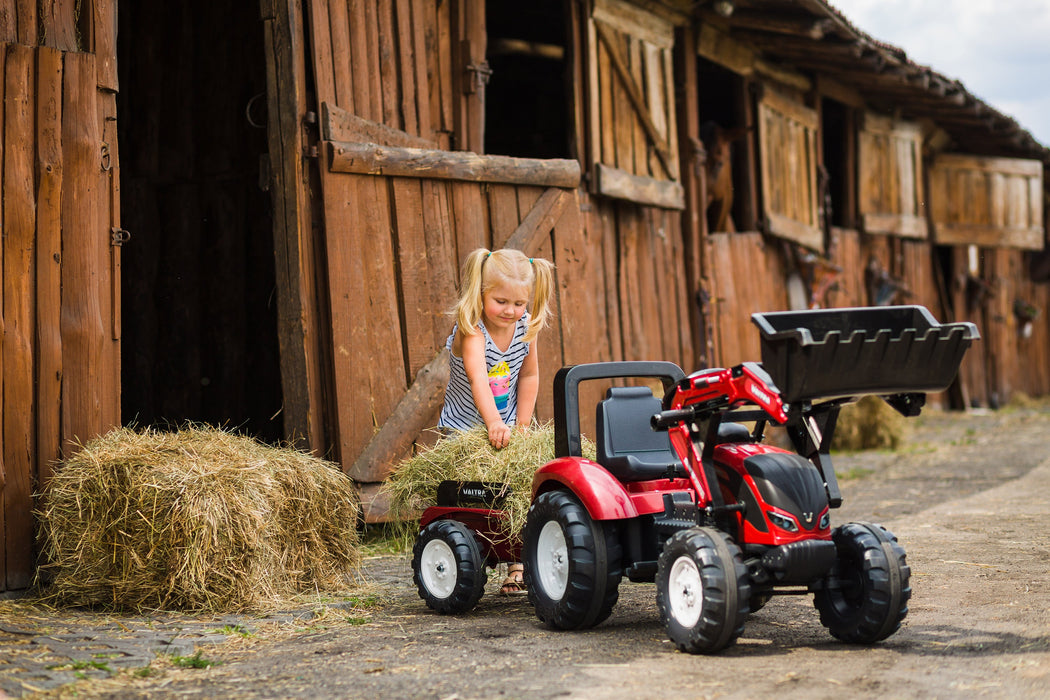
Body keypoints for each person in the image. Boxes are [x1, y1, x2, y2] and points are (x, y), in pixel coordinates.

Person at [438, 247, 555, 594]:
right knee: (474, 495)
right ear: (482, 292)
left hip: (504, 426)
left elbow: (529, 377)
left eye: (519, 303)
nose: (511, 311)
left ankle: (518, 561)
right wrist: (492, 424)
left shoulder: (526, 326)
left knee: (518, 487)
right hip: (465, 429)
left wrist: (521, 426)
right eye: (501, 301)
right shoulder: (471, 329)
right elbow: (478, 379)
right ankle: (469, 556)